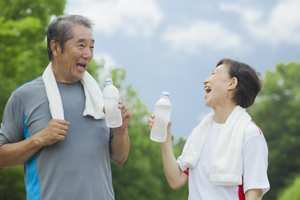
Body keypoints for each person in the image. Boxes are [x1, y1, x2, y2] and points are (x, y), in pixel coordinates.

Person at [0, 15, 131, 200]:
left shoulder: (102, 97)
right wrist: (38, 139)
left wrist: (120, 131)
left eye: (91, 47)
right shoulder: (24, 96)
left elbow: (119, 158)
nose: (88, 54)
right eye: (81, 45)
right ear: (55, 47)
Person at [149, 59, 270, 200]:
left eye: (214, 73)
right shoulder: (199, 134)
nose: (205, 80)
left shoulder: (250, 133)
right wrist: (165, 136)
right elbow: (176, 180)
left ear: (232, 83)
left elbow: (254, 196)